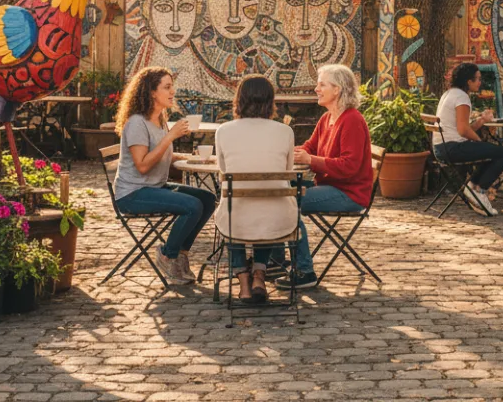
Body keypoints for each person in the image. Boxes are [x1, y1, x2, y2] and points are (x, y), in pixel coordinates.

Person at [112, 67, 217, 285]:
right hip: (132, 193)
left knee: (206, 199)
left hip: (154, 187)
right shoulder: (136, 123)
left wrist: (195, 158)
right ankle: (168, 254)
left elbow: (162, 155)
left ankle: (180, 254)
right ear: (151, 92)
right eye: (167, 87)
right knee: (192, 206)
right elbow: (142, 165)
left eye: (172, 86)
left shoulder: (160, 120)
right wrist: (170, 137)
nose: (172, 92)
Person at [278, 64, 374, 290]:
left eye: (322, 84)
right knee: (276, 190)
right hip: (330, 186)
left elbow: (349, 166)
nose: (316, 89)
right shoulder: (327, 118)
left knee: (287, 201)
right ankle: (276, 261)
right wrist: (279, 151)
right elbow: (309, 147)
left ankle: (304, 271)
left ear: (337, 90)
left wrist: (311, 161)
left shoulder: (351, 120)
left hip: (349, 194)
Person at [214, 74, 297, 305]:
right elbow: (287, 171)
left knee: (234, 212)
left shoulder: (224, 130)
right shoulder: (285, 132)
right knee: (266, 207)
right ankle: (259, 276)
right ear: (271, 101)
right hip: (279, 217)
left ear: (238, 100)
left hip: (237, 216)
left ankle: (243, 285)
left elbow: (223, 172)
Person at [434, 62, 503, 216]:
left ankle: (473, 187)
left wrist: (482, 120)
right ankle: (479, 190)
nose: (479, 82)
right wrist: (479, 141)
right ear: (468, 82)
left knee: (490, 152)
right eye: (477, 79)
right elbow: (463, 130)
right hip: (452, 148)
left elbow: (462, 128)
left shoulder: (449, 93)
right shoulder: (462, 97)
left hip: (442, 148)